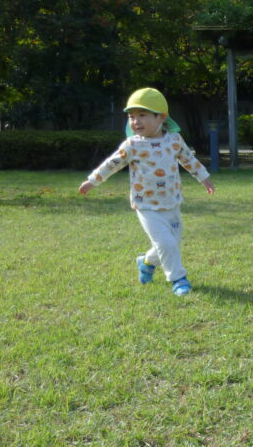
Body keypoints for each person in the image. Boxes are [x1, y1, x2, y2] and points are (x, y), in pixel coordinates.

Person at [79, 88, 215, 296]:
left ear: (161, 117)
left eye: (142, 115)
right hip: (146, 205)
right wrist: (92, 181)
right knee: (166, 243)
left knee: (171, 243)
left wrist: (204, 178)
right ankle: (178, 279)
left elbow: (189, 159)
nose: (136, 122)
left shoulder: (174, 140)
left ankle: (146, 263)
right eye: (131, 117)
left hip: (172, 201)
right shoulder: (133, 145)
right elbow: (112, 164)